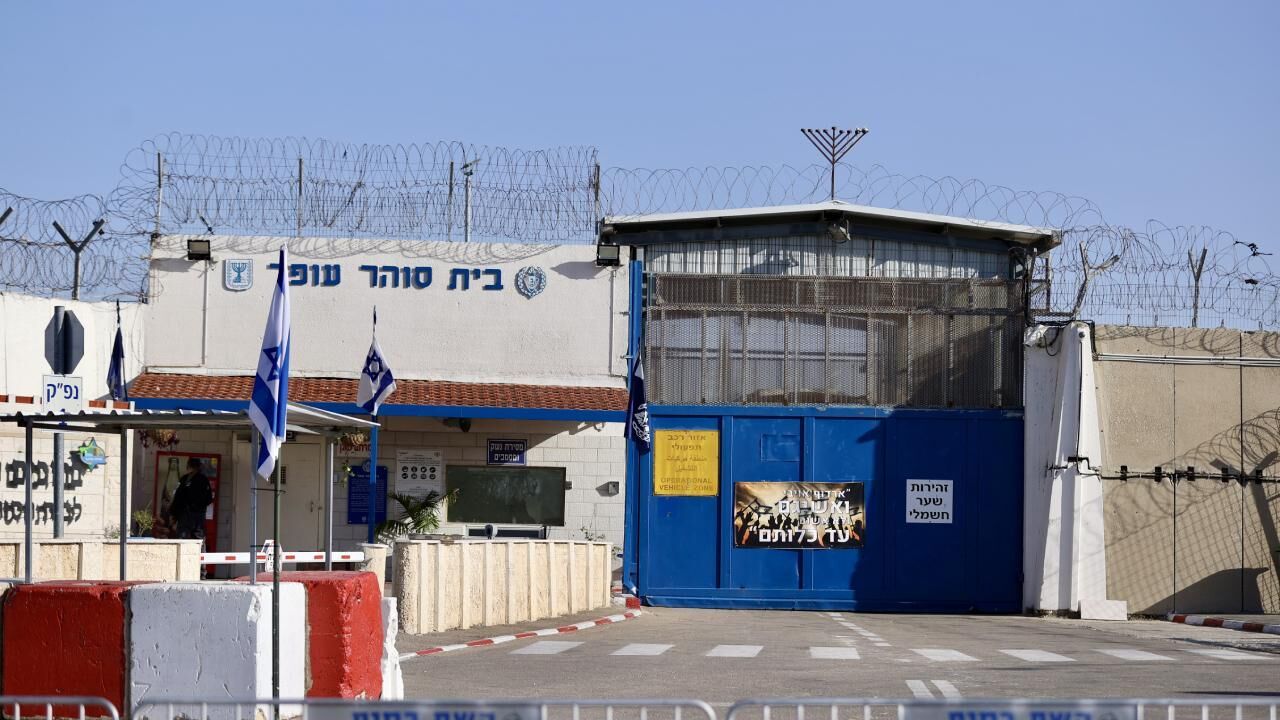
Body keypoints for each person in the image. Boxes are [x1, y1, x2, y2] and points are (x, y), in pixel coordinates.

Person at [167, 458, 213, 539]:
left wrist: (173, 514)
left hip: (186, 516)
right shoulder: (204, 480)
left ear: (188, 466)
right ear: (199, 467)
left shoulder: (185, 479)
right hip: (199, 517)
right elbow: (209, 499)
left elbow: (178, 498)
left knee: (182, 540)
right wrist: (200, 507)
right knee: (198, 541)